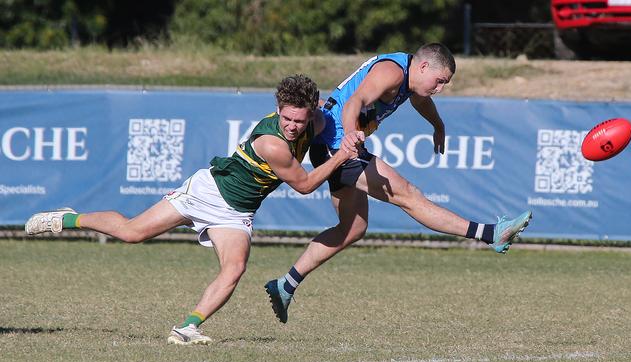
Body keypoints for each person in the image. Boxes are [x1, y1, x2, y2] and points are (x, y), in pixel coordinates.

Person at [24, 74, 363, 345]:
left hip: (236, 213)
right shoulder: (272, 143)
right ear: (278, 108)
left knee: (235, 269)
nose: (292, 126)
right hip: (208, 192)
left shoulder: (313, 116)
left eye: (299, 121)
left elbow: (336, 109)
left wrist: (361, 119)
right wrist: (341, 156)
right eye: (287, 118)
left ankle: (187, 327)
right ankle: (67, 217)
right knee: (132, 233)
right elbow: (304, 186)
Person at [264, 43, 533, 324]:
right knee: (409, 195)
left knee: (353, 228)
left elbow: (420, 100)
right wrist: (349, 138)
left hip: (336, 143)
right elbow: (355, 101)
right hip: (337, 143)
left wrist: (437, 124)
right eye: (439, 81)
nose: (440, 88)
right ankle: (491, 234)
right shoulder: (392, 72)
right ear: (424, 66)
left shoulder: (410, 77)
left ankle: (286, 284)